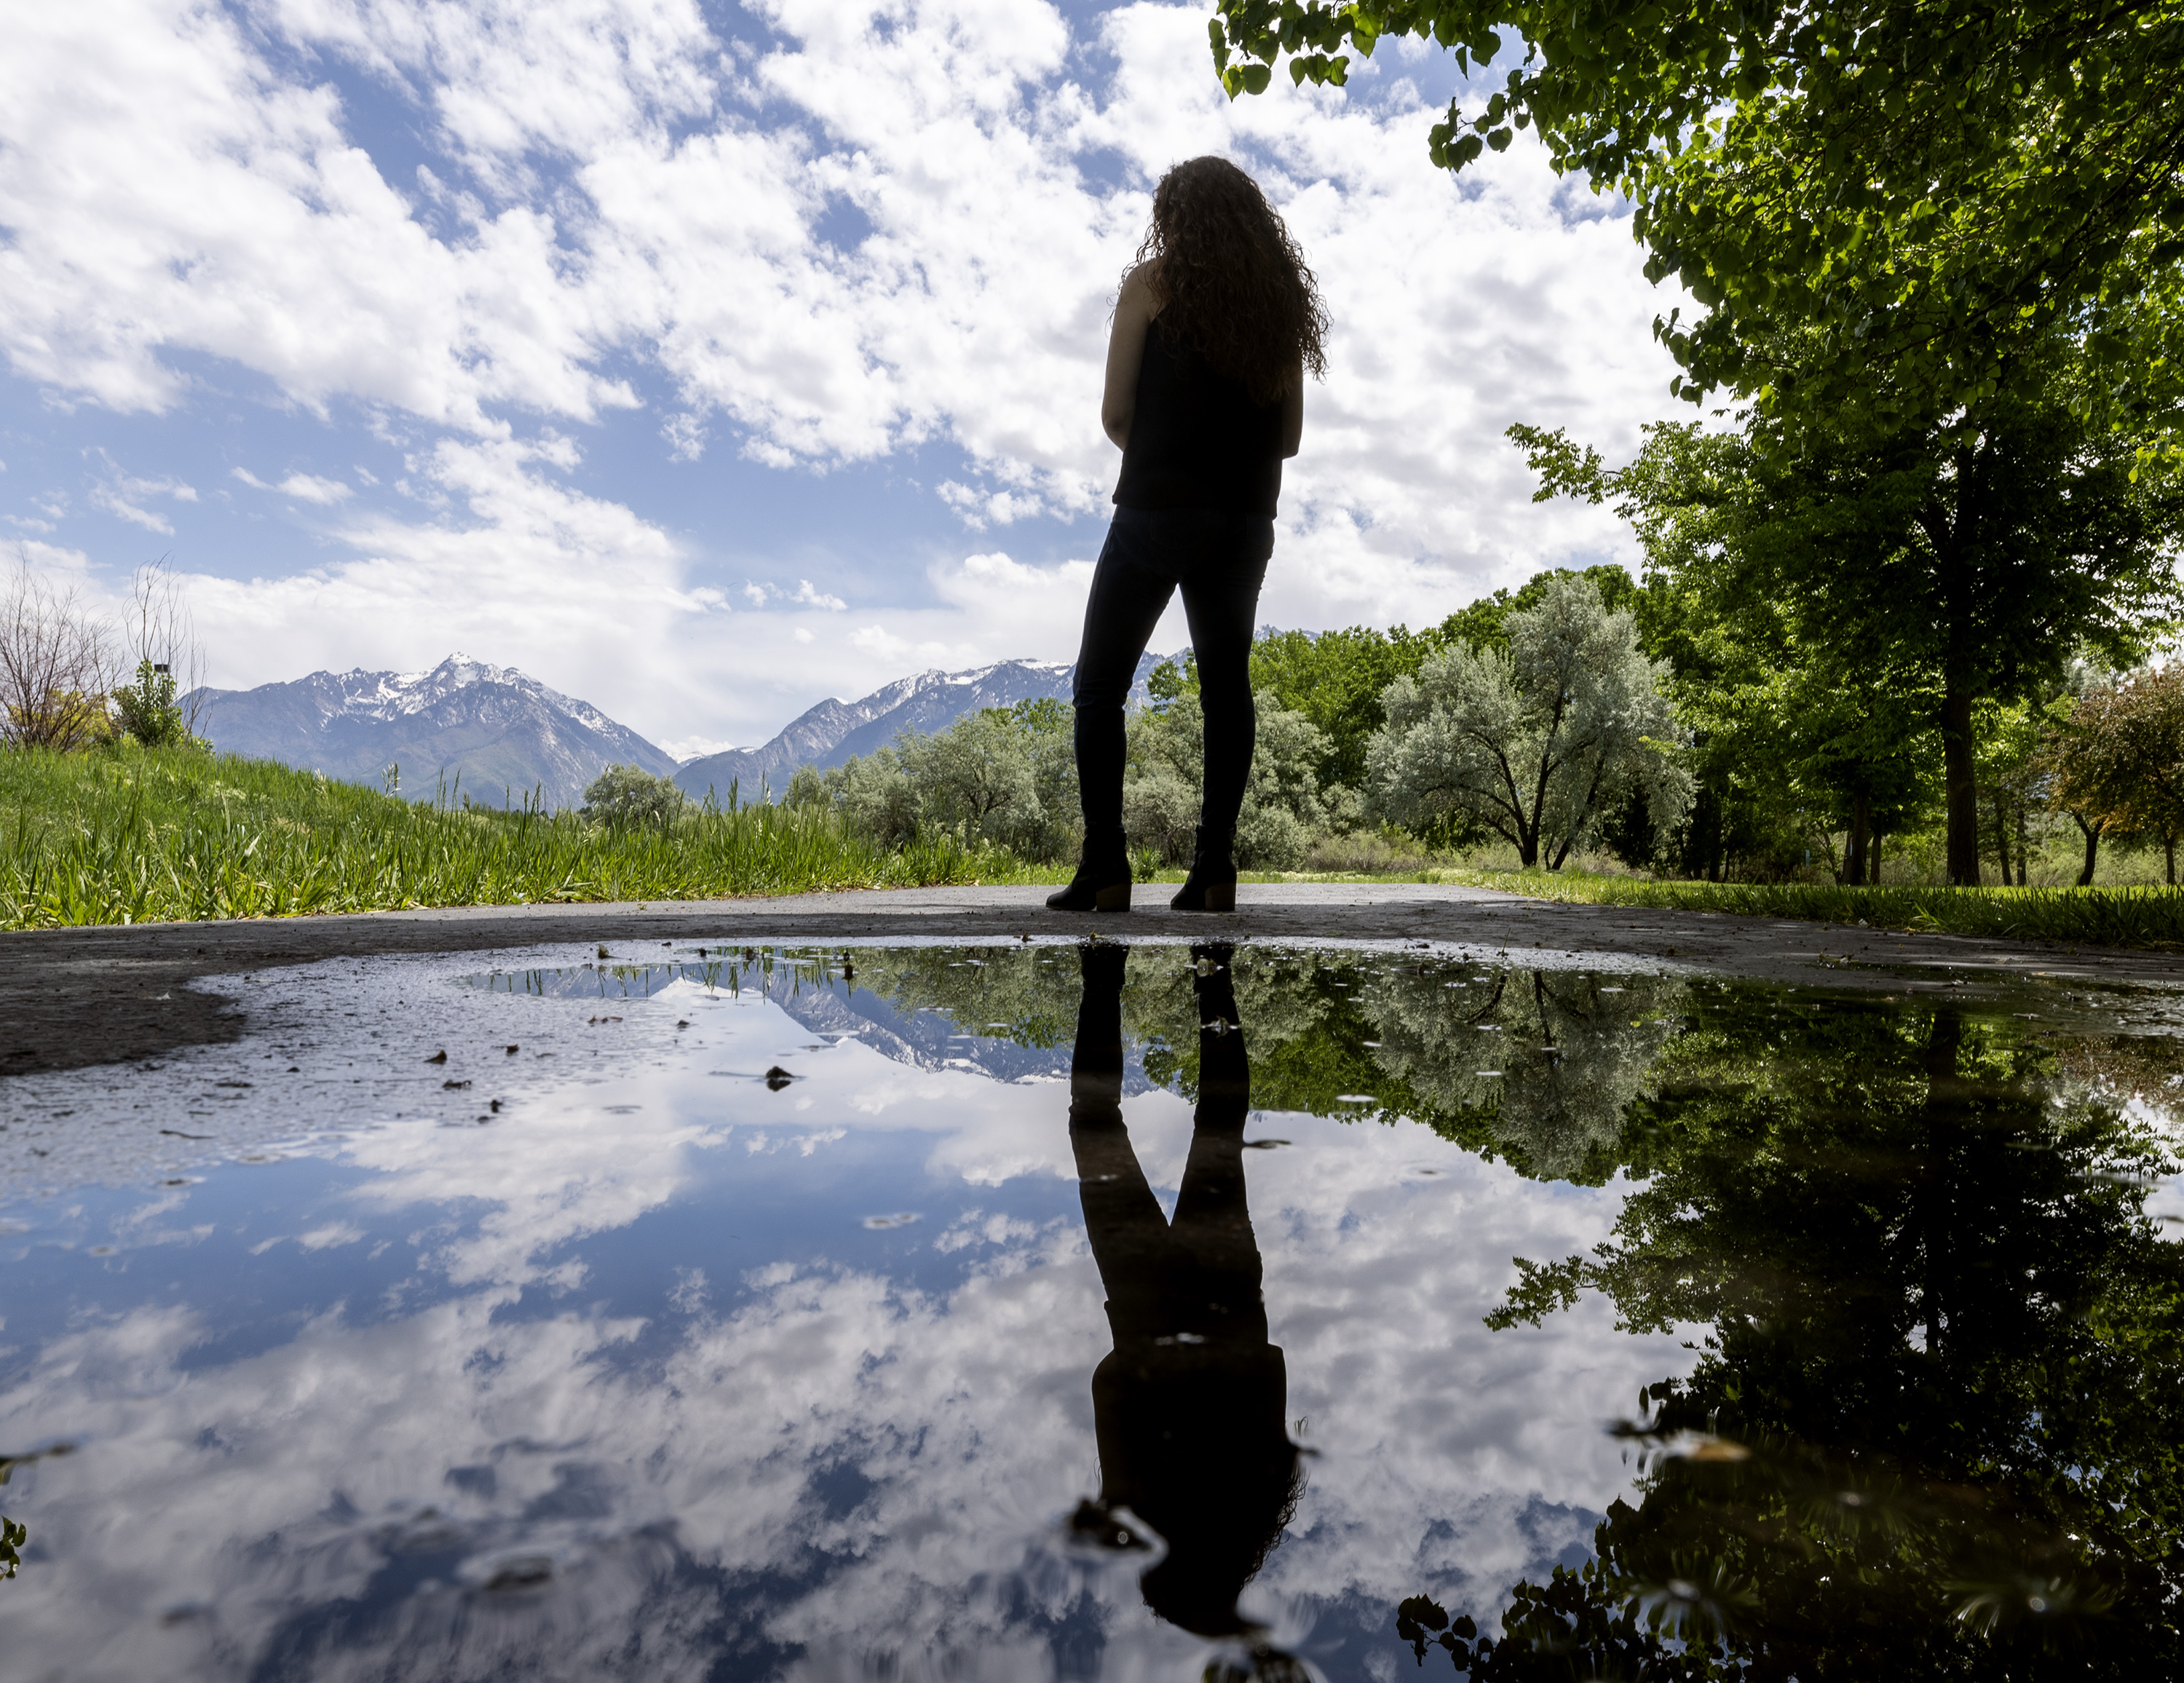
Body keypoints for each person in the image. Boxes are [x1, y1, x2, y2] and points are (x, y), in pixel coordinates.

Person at [1046, 157, 1327, 914]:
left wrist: (1169, 456)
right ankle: (1213, 870)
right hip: (1246, 518)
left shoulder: (1152, 285)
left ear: (1173, 217)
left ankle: (1106, 865)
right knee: (1226, 688)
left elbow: (1114, 415)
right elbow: (1291, 438)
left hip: (1157, 510)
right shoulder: (1280, 307)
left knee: (1101, 685)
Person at [1065, 940, 1305, 1648]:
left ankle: (1214, 968)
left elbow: (1271, 1360)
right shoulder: (1139, 1497)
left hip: (1228, 1291)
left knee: (1219, 1129)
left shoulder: (1260, 1490)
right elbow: (1108, 1379)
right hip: (1141, 1297)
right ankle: (1103, 970)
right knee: (1094, 1119)